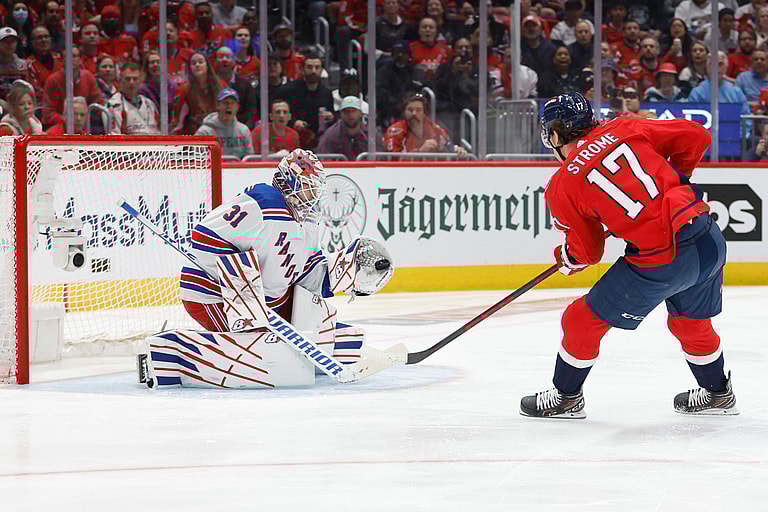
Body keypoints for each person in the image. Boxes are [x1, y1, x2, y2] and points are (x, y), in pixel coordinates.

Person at [520, 91, 737, 419]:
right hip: (708, 237)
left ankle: (566, 397)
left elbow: (589, 252)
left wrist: (568, 256)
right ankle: (718, 393)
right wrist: (679, 177)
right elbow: (698, 136)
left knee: (580, 320)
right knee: (690, 322)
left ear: (553, 134)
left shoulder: (562, 185)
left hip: (663, 259)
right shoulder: (625, 127)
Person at [141, 149, 391, 389]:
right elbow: (203, 234)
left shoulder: (306, 219)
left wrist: (342, 274)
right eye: (307, 186)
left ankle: (323, 342)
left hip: (267, 301)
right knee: (258, 337)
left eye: (315, 187)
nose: (312, 194)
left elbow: (298, 269)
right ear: (288, 181)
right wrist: (239, 282)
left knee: (307, 314)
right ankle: (173, 351)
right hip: (212, 297)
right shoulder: (264, 203)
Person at [275, 53, 334, 149]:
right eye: (309, 67)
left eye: (317, 67)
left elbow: (332, 117)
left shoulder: (326, 93)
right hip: (291, 138)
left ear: (322, 70)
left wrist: (331, 117)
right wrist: (293, 122)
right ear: (302, 69)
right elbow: (277, 113)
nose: (313, 71)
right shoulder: (288, 90)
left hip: (318, 140)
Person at [383, 92, 468, 157]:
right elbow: (394, 160)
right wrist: (420, 152)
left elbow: (448, 146)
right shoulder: (395, 131)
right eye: (410, 110)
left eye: (418, 110)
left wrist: (457, 150)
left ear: (424, 113)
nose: (414, 113)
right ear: (404, 112)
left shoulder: (434, 128)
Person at [41, 45, 103, 128]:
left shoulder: (88, 77)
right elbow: (47, 113)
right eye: (67, 56)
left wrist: (83, 119)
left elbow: (98, 105)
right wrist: (68, 120)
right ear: (62, 60)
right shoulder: (53, 80)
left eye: (74, 56)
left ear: (80, 59)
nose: (70, 59)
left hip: (85, 126)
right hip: (60, 128)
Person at [172, 51, 225, 135]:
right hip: (194, 135)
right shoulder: (184, 90)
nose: (197, 65)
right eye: (194, 63)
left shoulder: (221, 85)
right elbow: (178, 120)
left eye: (201, 62)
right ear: (190, 68)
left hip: (219, 132)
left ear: (207, 65)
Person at [194, 88, 253, 159]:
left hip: (237, 169)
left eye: (232, 103)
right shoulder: (204, 132)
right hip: (213, 169)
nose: (229, 106)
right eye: (225, 103)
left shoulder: (244, 131)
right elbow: (197, 159)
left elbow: (249, 158)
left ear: (237, 107)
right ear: (218, 106)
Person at [106, 62, 161, 135]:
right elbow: (115, 138)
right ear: (120, 80)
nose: (131, 82)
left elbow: (159, 131)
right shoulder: (112, 105)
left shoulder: (149, 104)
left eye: (135, 79)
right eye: (127, 79)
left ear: (140, 81)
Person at [317, 95, 377, 160]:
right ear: (341, 114)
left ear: (360, 113)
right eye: (346, 111)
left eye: (353, 110)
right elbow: (323, 160)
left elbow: (380, 158)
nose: (350, 115)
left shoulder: (371, 134)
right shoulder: (330, 135)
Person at [0, 27, 27, 102]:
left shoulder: (24, 65)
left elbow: (27, 90)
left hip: (19, 104)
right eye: (5, 41)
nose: (9, 45)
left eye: (12, 41)